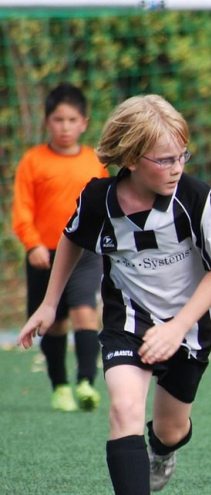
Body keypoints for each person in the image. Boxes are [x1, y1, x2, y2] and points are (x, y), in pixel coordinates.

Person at [17, 94, 211, 495]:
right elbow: (72, 239)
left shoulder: (200, 200)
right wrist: (49, 303)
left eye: (182, 155)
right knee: (122, 407)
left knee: (171, 429)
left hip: (189, 329)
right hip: (128, 323)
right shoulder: (98, 199)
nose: (177, 167)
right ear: (133, 158)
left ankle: (161, 448)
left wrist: (177, 327)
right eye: (165, 159)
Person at [12, 83, 109, 412]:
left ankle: (86, 382)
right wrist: (32, 244)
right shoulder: (33, 161)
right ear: (47, 122)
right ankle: (60, 386)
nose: (65, 127)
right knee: (53, 322)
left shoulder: (95, 161)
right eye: (58, 120)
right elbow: (22, 209)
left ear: (84, 123)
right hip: (45, 255)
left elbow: (105, 205)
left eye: (71, 120)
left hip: (86, 253)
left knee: (85, 312)